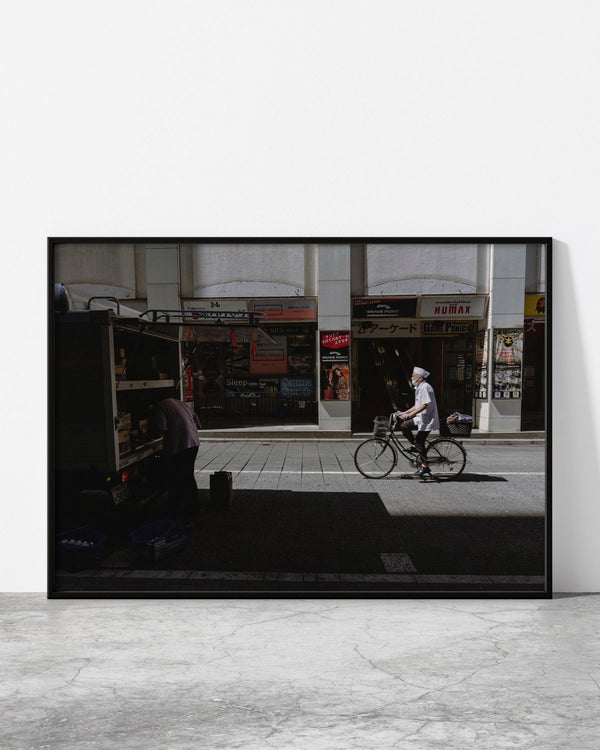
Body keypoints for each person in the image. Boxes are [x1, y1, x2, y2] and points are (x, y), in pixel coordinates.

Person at [152, 398, 201, 523]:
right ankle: (191, 506)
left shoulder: (160, 406)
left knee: (176, 477)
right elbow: (198, 423)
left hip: (180, 445)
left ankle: (179, 508)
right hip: (193, 443)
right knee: (187, 476)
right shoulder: (180, 403)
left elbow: (162, 429)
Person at [394, 367, 440, 477]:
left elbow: (425, 405)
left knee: (420, 442)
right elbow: (418, 404)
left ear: (419, 378)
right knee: (404, 426)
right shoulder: (419, 387)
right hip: (421, 418)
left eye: (413, 376)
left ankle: (425, 466)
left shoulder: (425, 387)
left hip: (427, 419)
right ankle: (415, 446)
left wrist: (410, 415)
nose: (411, 378)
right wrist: (405, 411)